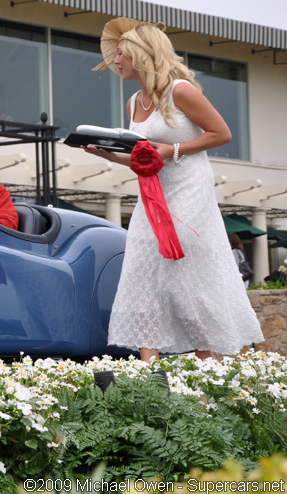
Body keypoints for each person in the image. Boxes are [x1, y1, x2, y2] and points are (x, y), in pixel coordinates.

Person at [85, 18, 264, 361]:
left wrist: (174, 150)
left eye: (120, 54)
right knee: (140, 264)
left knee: (185, 269)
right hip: (152, 193)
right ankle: (149, 370)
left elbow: (222, 133)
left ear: (141, 54)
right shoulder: (134, 101)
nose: (115, 62)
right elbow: (144, 158)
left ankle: (206, 362)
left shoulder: (180, 90)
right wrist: (108, 154)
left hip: (189, 188)